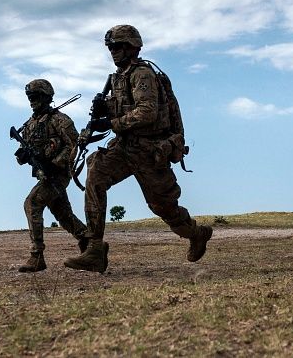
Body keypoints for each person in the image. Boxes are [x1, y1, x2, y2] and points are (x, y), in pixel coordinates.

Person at [64, 25, 213, 273]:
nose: (113, 51)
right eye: (111, 47)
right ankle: (95, 249)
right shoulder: (118, 78)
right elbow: (125, 110)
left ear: (133, 46)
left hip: (150, 152)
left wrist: (111, 121)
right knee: (96, 173)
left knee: (163, 207)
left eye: (118, 46)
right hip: (124, 147)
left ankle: (197, 234)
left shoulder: (142, 74)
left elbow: (147, 112)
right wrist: (105, 111)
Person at [14, 79, 88, 272]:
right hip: (44, 175)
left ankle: (36, 255)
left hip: (58, 174)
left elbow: (73, 146)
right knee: (64, 215)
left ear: (46, 97)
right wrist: (23, 156)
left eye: (36, 96)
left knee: (32, 203)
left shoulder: (60, 120)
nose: (32, 100)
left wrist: (54, 162)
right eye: (30, 97)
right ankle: (88, 240)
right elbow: (27, 149)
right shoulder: (30, 124)